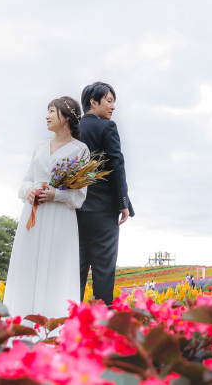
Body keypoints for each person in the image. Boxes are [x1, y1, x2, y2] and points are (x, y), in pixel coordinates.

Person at [4, 97, 89, 320]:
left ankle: (52, 326)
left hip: (59, 217)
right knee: (27, 266)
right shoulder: (40, 147)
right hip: (34, 214)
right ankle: (21, 322)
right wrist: (28, 191)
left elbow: (80, 196)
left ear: (66, 118)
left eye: (52, 111)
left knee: (56, 269)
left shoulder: (80, 151)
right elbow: (26, 181)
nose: (47, 116)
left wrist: (56, 194)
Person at [76, 82, 135, 306]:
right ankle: (101, 326)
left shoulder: (72, 128)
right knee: (103, 269)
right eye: (109, 101)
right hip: (102, 210)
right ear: (93, 102)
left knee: (77, 267)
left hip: (75, 209)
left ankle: (70, 319)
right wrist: (123, 203)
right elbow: (116, 164)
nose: (112, 107)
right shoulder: (106, 127)